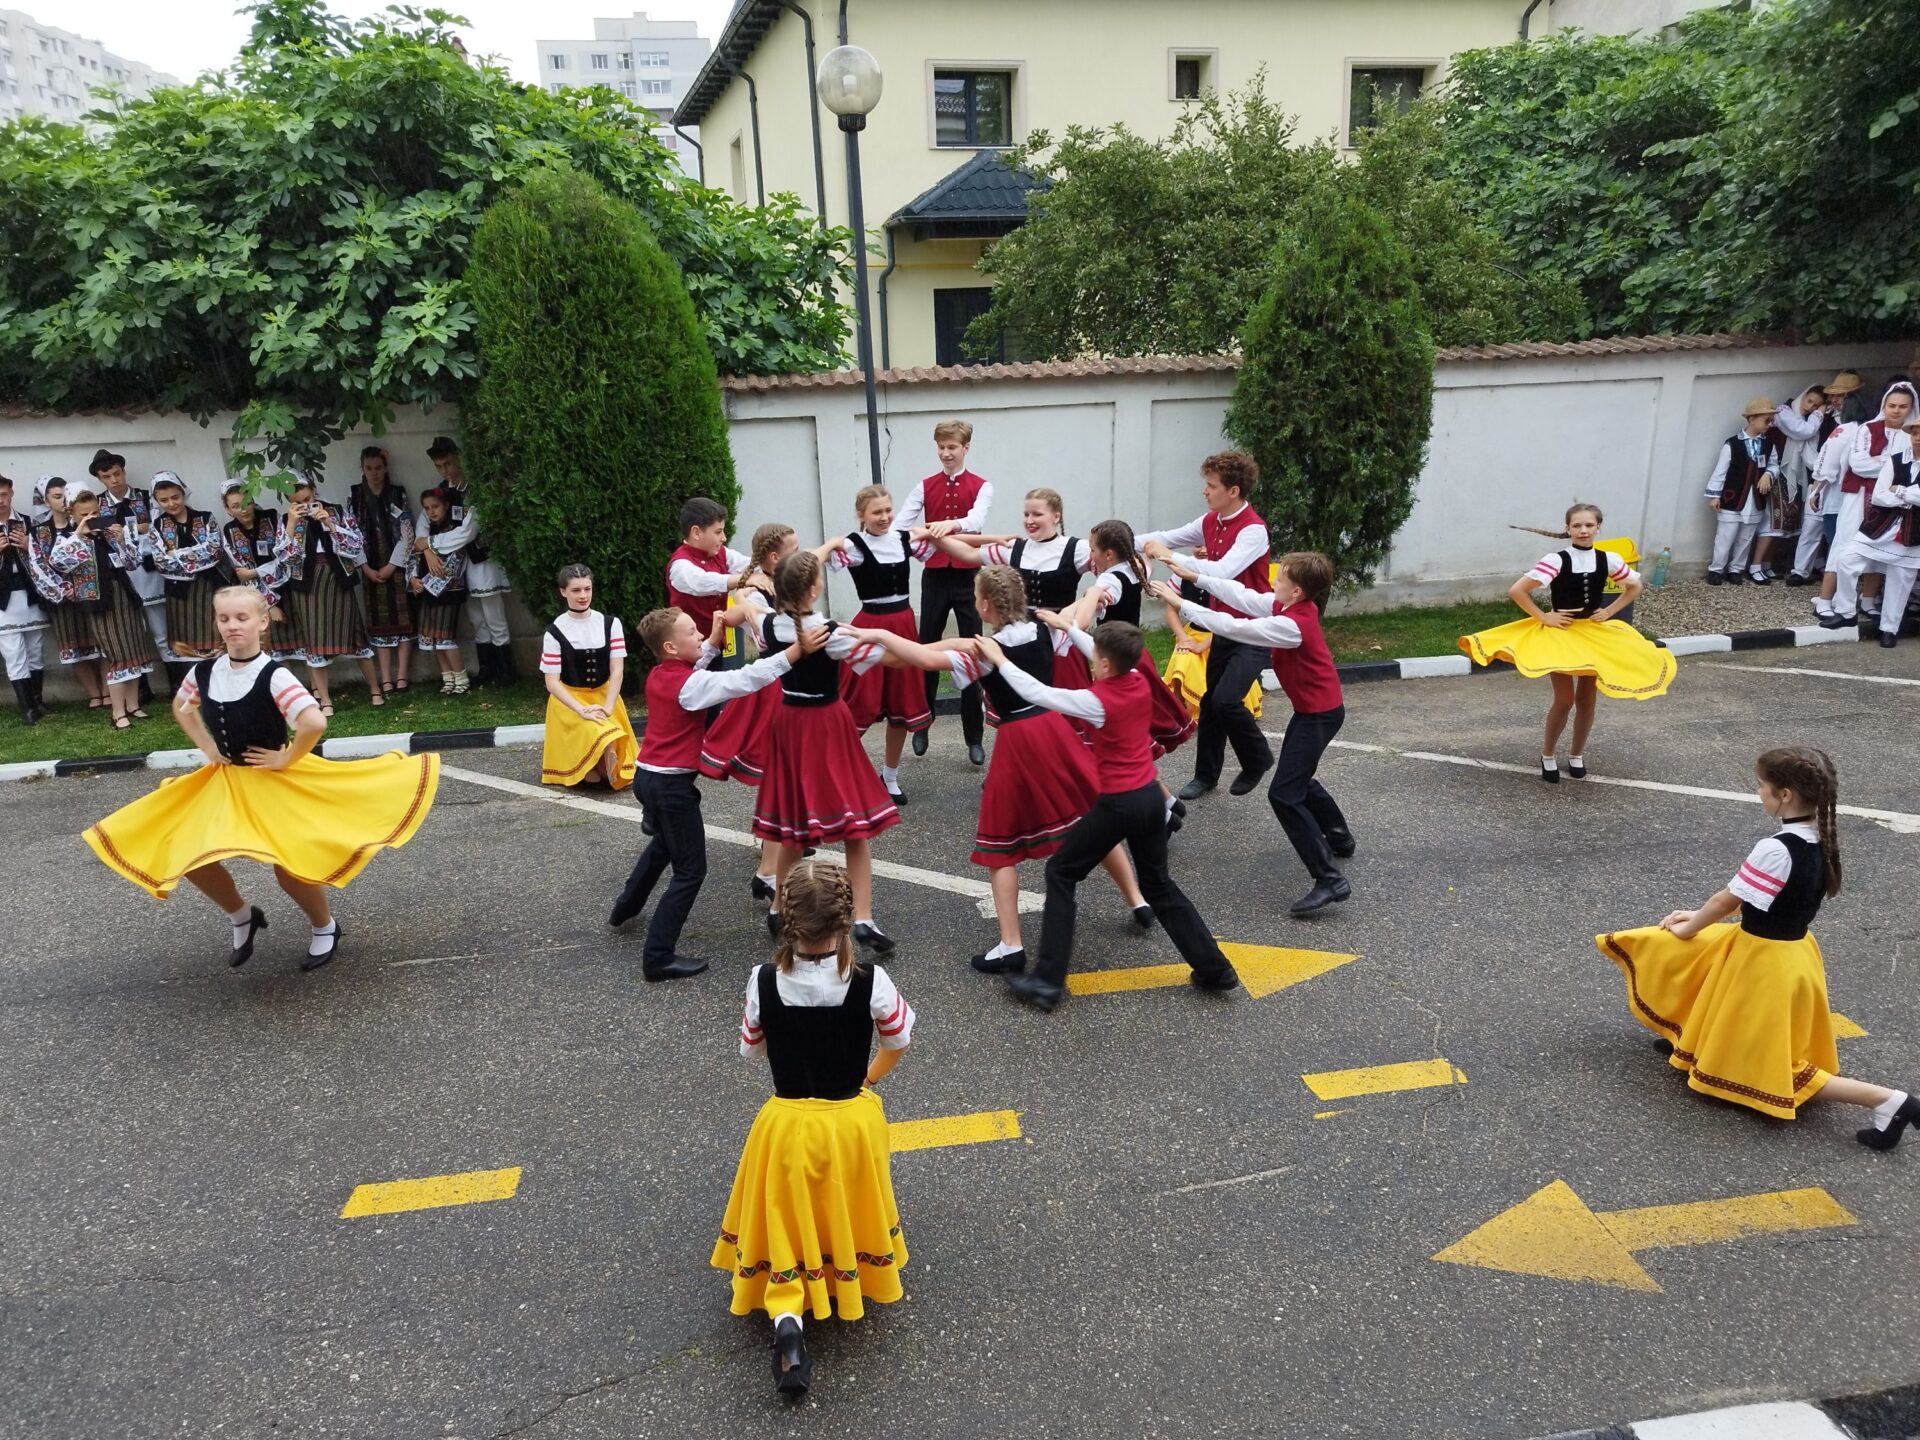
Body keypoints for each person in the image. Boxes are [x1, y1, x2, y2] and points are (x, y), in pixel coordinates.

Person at [80, 585, 440, 971]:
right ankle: (242, 915)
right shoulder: (205, 671)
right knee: (191, 855)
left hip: (273, 783)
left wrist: (287, 757)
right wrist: (207, 746)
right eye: (224, 618)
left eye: (242, 617)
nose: (232, 625)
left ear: (262, 622)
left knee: (290, 868)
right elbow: (182, 705)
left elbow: (314, 722)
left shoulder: (273, 675)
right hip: (227, 781)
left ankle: (325, 927)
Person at [1598, 748, 1916, 1150]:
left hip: (1765, 958)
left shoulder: (1777, 849)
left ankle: (1889, 1101)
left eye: (1761, 787)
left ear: (1785, 795)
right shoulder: (1821, 835)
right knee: (1712, 985)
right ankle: (1689, 1043)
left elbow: (1725, 902)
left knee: (1769, 1061)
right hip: (1793, 951)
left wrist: (1689, 925)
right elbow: (1755, 899)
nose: (1758, 793)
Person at [847, 563, 1155, 974]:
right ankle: (1137, 900)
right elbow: (1075, 617)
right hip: (1055, 732)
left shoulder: (985, 654)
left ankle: (1011, 945)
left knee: (1000, 845)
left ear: (985, 606)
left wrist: (878, 634)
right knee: (1089, 818)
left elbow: (921, 657)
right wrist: (1090, 594)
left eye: (977, 597)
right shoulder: (1044, 629)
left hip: (1019, 741)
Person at [712, 859, 913, 1398]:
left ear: (787, 919)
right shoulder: (869, 981)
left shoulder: (764, 980)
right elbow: (898, 1040)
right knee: (841, 1201)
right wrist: (867, 1079)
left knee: (784, 1214)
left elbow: (752, 1049)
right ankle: (841, 1273)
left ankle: (787, 1318)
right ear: (845, 921)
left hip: (787, 1122)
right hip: (849, 1120)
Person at [968, 620, 1242, 1012]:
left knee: (1061, 872)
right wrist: (1066, 626)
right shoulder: (1136, 679)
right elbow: (1101, 652)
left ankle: (1046, 983)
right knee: (1159, 885)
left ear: (1107, 665)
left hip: (1119, 805)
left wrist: (1000, 660)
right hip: (1150, 799)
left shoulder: (1097, 702)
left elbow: (1037, 692)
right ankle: (1216, 970)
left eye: (1096, 657)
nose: (1091, 661)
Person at [609, 603, 822, 980]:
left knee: (663, 846)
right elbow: (745, 678)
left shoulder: (661, 673)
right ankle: (657, 956)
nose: (699, 635)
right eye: (691, 632)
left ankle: (626, 905)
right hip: (671, 788)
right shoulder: (690, 686)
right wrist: (795, 651)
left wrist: (710, 641)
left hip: (647, 779)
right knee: (690, 871)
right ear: (670, 647)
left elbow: (694, 669)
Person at [1153, 549, 1357, 915]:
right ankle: (1339, 836)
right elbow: (1241, 596)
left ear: (1296, 591)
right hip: (1314, 711)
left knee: (1284, 794)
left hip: (1320, 715)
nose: (1274, 581)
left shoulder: (1292, 624)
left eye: (1282, 578)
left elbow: (1235, 627)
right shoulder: (1287, 607)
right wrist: (1195, 577)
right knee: (1298, 778)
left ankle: (1330, 879)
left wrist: (1180, 603)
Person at [752, 551, 900, 953]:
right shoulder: (828, 632)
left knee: (792, 823)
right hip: (826, 722)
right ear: (814, 589)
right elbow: (887, 658)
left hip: (789, 721)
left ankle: (780, 908)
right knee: (855, 824)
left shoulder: (768, 625)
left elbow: (747, 611)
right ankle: (863, 917)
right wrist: (887, 641)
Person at [1463, 505, 1673, 781]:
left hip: (1594, 635)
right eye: (1577, 526)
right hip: (1561, 634)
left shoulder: (1608, 559)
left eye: (1589, 525)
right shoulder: (1557, 560)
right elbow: (1517, 590)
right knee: (1564, 700)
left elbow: (1635, 587)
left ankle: (1576, 755)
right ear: (1568, 528)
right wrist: (1544, 617)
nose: (1583, 530)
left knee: (1587, 700)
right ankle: (1548, 755)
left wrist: (1609, 611)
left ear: (1598, 528)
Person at [1138, 450, 1275, 802]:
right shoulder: (1210, 520)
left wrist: (1168, 556)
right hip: (1222, 626)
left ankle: (1257, 758)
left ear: (1233, 491)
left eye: (1211, 485)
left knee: (1226, 700)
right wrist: (1115, 541)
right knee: (1212, 703)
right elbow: (1166, 536)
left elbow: (1222, 571)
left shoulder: (1254, 530)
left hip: (1254, 630)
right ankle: (1205, 776)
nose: (1205, 491)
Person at [920, 486, 1093, 691]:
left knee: (1063, 698)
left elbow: (1109, 566)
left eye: (1037, 514)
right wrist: (932, 535)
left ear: (1056, 517)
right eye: (1026, 514)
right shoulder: (1015, 548)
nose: (1030, 520)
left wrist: (1090, 597)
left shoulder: (1077, 549)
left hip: (1060, 639)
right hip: (1020, 640)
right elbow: (968, 554)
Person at [895, 419, 991, 766]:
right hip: (935, 576)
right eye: (941, 447)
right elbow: (900, 525)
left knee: (972, 652)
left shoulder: (982, 486)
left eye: (952, 447)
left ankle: (974, 736)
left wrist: (951, 524)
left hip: (968, 579)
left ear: (966, 448)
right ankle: (922, 723)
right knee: (926, 649)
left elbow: (976, 520)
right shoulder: (924, 486)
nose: (946, 453)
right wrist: (913, 536)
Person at [831, 486, 934, 803]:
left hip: (903, 626)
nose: (885, 517)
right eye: (877, 512)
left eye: (889, 510)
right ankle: (837, 776)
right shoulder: (854, 545)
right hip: (869, 627)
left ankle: (889, 777)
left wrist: (940, 531)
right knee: (857, 703)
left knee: (901, 704)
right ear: (861, 515)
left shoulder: (903, 539)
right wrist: (832, 543)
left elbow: (948, 546)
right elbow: (812, 563)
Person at [46, 480, 159, 729]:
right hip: (99, 603)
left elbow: (132, 563)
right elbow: (58, 563)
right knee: (117, 654)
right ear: (72, 514)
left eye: (95, 513)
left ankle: (133, 705)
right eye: (84, 514)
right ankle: (117, 712)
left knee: (134, 650)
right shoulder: (68, 538)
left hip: (124, 596)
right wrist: (79, 533)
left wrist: (122, 541)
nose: (91, 518)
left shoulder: (108, 534)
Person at [273, 476, 381, 714]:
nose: (305, 505)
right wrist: (291, 525)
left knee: (354, 633)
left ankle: (375, 690)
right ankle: (325, 700)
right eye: (298, 502)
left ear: (315, 491)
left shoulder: (337, 511)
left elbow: (356, 546)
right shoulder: (286, 520)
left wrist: (331, 525)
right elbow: (285, 559)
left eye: (308, 499)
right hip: (306, 585)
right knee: (314, 639)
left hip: (338, 579)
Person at [418, 436, 515, 687]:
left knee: (493, 615)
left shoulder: (476, 489)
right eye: (439, 466)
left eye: (448, 464)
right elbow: (422, 524)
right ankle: (486, 668)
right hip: (457, 566)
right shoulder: (441, 492)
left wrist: (431, 543)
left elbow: (468, 532)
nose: (445, 470)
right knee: (475, 617)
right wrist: (426, 549)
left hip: (481, 559)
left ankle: (506, 669)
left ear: (458, 458)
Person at [1821, 381, 1917, 630]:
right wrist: (1892, 467)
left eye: (1902, 406)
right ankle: (1827, 601)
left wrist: (1882, 464)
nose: (1896, 410)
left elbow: (1910, 471)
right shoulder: (1868, 428)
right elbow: (1859, 464)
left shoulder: (1912, 434)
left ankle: (1868, 600)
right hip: (1860, 496)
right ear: (1884, 405)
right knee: (1846, 546)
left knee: (1882, 550)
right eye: (1892, 405)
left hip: (1895, 504)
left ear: (1911, 408)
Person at [539, 563, 638, 789]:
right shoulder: (554, 631)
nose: (583, 595)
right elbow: (552, 682)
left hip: (605, 696)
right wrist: (580, 710)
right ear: (563, 592)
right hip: (569, 701)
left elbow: (617, 670)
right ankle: (595, 764)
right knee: (595, 731)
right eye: (576, 590)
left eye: (587, 589)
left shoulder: (610, 623)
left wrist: (609, 706)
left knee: (608, 734)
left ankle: (601, 764)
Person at [88, 451, 170, 690]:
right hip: (120, 574)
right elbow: (95, 533)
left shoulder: (146, 497)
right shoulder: (98, 504)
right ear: (100, 479)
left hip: (150, 570)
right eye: (107, 477)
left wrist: (126, 529)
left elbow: (160, 526)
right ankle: (141, 687)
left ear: (124, 471)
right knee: (131, 632)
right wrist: (138, 528)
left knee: (161, 630)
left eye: (117, 473)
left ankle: (175, 681)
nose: (114, 480)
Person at [141, 473, 227, 693]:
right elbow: (161, 562)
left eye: (175, 497)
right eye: (164, 500)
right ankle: (195, 687)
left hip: (209, 585)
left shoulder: (205, 518)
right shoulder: (158, 525)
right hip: (178, 591)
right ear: (157, 501)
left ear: (183, 493)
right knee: (186, 637)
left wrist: (176, 554)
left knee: (213, 633)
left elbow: (215, 551)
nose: (171, 503)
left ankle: (220, 684)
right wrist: (196, 554)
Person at [28, 478, 106, 713]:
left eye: (66, 495)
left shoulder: (86, 524)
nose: (63, 501)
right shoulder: (40, 531)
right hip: (62, 599)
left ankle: (107, 691)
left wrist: (81, 585)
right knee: (75, 648)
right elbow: (37, 566)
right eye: (57, 496)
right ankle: (94, 694)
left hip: (91, 592)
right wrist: (64, 589)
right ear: (47, 501)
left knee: (101, 642)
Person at [1842, 415, 1920, 648]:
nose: (1918, 438)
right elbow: (1878, 495)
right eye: (1915, 433)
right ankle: (1846, 612)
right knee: (1847, 560)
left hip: (1913, 531)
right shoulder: (1895, 460)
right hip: (1881, 526)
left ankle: (1889, 629)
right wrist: (1909, 497)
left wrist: (1900, 491)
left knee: (1901, 580)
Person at [348, 446, 417, 695]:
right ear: (362, 469)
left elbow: (407, 531)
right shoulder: (355, 496)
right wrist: (365, 567)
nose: (374, 473)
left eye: (378, 468)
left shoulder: (397, 494)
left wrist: (392, 565)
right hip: (370, 565)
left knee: (404, 619)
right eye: (369, 468)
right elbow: (351, 534)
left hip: (396, 564)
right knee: (378, 621)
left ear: (385, 468)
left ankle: (402, 676)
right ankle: (385, 677)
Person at [665, 496, 755, 673]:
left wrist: (781, 562)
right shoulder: (680, 566)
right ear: (696, 532)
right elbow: (703, 582)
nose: (724, 537)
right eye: (718, 532)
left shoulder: (721, 553)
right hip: (688, 655)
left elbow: (749, 565)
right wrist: (746, 579)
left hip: (715, 647)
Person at [218, 481, 304, 665]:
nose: (243, 509)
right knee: (275, 649)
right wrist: (270, 605)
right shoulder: (229, 531)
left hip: (292, 587)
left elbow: (285, 557)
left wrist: (255, 571)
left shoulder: (272, 517)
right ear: (227, 509)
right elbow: (243, 574)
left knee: (304, 643)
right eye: (236, 506)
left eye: (247, 502)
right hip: (260, 596)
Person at [1811, 376, 1875, 619]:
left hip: (1840, 497)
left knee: (1838, 549)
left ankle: (1832, 597)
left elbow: (1825, 463)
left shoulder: (1845, 430)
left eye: (1841, 396)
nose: (1835, 400)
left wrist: (1816, 488)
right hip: (1866, 499)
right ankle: (1854, 597)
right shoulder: (1873, 430)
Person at [1703, 398, 1784, 585]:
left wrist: (1769, 474)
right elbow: (1720, 471)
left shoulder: (1768, 444)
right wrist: (1715, 496)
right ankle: (1716, 568)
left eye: (1771, 420)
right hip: (1732, 497)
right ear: (1752, 419)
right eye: (1767, 420)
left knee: (1746, 537)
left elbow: (1774, 464)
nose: (1770, 424)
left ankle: (1736, 568)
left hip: (1756, 499)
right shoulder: (1732, 444)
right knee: (1725, 536)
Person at [408, 486, 470, 693]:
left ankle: (461, 678)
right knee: (433, 637)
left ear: (445, 505)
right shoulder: (427, 532)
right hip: (427, 590)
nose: (431, 511)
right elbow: (414, 553)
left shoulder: (453, 529)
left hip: (448, 591)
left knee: (445, 637)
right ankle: (448, 678)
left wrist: (433, 579)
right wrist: (414, 578)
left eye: (435, 506)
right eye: (427, 508)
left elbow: (455, 562)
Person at [0, 474, 49, 724]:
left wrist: (30, 545)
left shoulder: (28, 522)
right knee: (13, 652)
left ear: (11, 493)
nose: (0, 501)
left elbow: (48, 558)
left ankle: (37, 700)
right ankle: (27, 707)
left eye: (3, 494)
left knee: (35, 650)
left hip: (30, 594)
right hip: (2, 599)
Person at [1775, 384, 1830, 585]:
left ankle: (1817, 564)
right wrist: (1819, 413)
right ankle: (1788, 568)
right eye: (1809, 401)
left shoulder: (1817, 419)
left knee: (1816, 524)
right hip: (1782, 470)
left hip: (1810, 474)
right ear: (1804, 395)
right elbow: (1803, 431)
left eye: (1816, 405)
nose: (1810, 407)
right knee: (1785, 523)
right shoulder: (1785, 411)